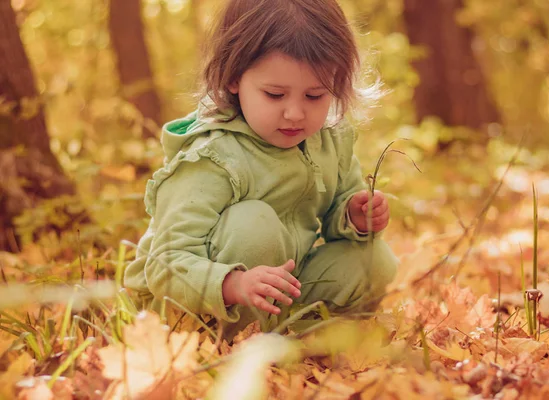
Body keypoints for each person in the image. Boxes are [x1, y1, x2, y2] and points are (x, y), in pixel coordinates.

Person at [124, 0, 398, 340]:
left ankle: (296, 338)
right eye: (275, 94)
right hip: (198, 304)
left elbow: (336, 218)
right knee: (253, 224)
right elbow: (165, 264)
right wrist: (233, 284)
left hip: (279, 287)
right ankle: (233, 342)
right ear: (234, 78)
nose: (295, 113)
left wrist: (354, 217)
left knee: (374, 259)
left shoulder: (329, 140)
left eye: (314, 96)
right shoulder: (213, 156)